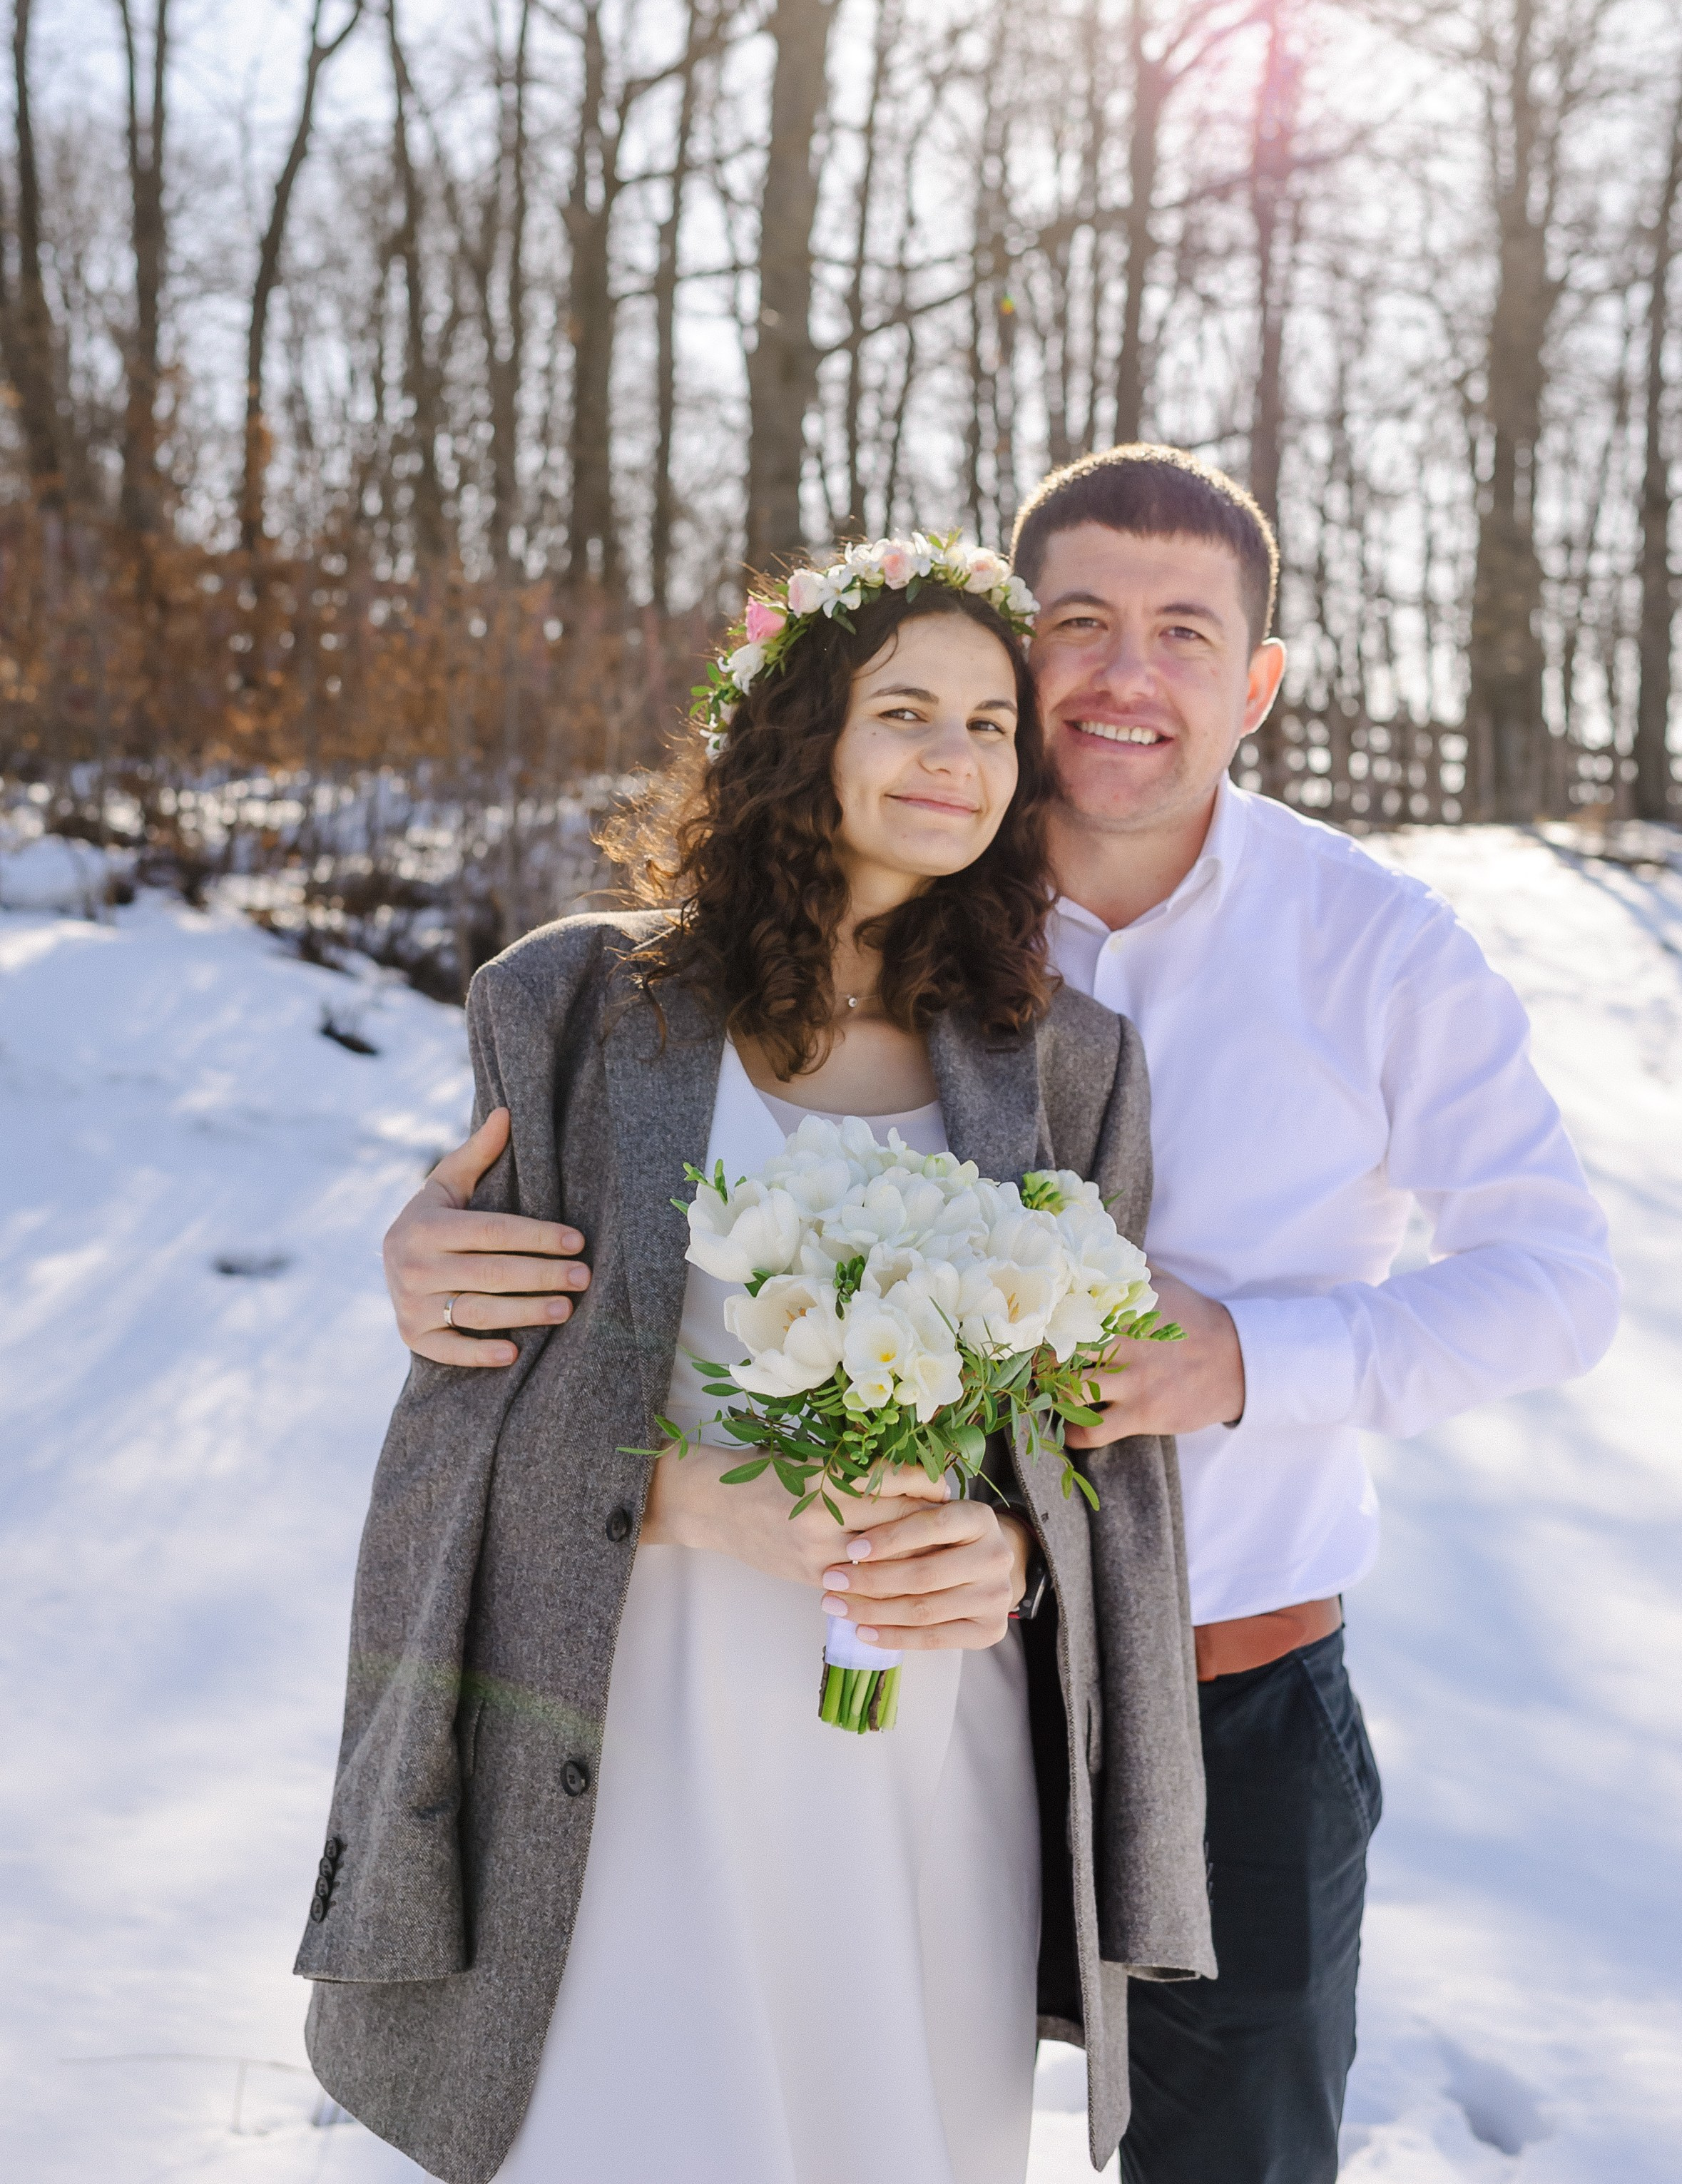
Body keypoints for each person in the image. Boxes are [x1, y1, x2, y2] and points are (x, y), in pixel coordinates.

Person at [385, 449, 1620, 2184]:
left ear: (1256, 682)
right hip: (809, 1668)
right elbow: (621, 1167)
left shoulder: (1375, 948)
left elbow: (1563, 1280)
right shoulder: (914, 869)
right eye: (1080, 625)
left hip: (1207, 1687)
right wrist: (435, 1256)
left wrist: (1254, 1358)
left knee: (1216, 2153)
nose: (1128, 674)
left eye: (1187, 633)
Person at [297, 537, 1213, 2184]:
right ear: (805, 734)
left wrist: (1004, 1548)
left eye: (996, 725)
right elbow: (466, 1408)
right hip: (634, 1707)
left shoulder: (1068, 1063)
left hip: (930, 1728)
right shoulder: (580, 1003)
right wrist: (699, 1501)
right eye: (907, 710)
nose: (957, 757)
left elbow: (1098, 1444)